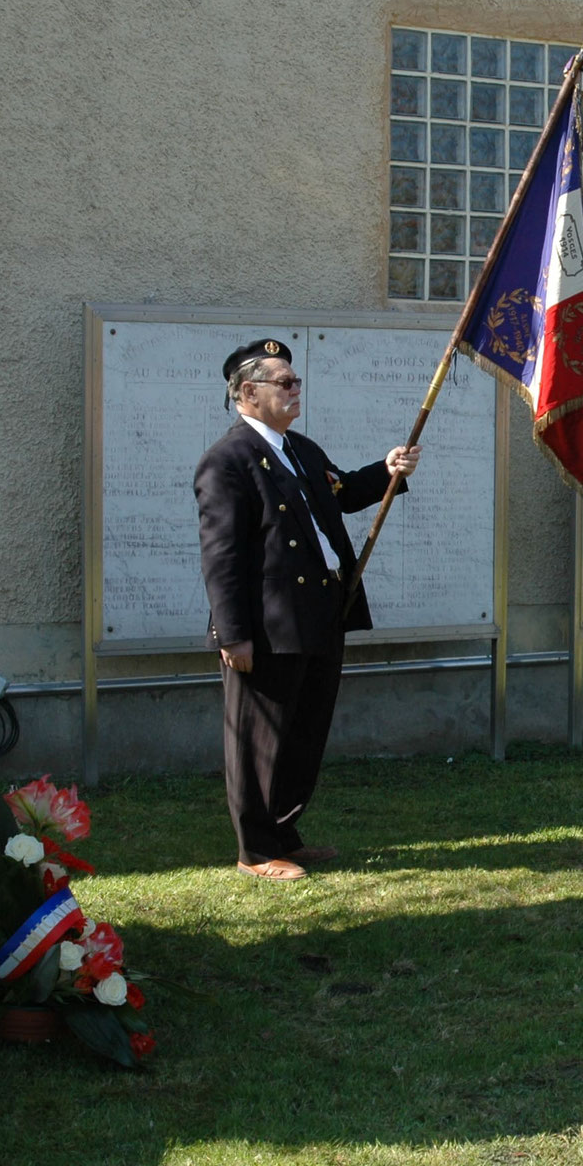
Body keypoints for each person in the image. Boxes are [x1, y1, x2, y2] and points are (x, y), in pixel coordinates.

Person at [194, 339, 422, 881]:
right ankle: (254, 850)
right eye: (285, 383)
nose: (297, 391)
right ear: (248, 393)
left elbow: (340, 494)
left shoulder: (299, 449)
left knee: (303, 733)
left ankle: (285, 835)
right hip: (267, 624)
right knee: (259, 738)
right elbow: (221, 555)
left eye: (297, 382)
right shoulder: (227, 461)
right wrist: (232, 634)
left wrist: (388, 469)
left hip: (320, 611)